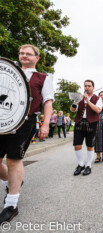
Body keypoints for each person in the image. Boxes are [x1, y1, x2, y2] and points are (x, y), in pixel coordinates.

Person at [0, 44, 54, 223]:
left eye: (28, 54)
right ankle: (12, 182)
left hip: (26, 121)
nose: (23, 56)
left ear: (36, 58)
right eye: (21, 53)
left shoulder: (43, 78)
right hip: (2, 120)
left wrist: (45, 125)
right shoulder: (8, 72)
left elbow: (47, 102)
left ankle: (11, 204)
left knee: (14, 160)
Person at [70, 80, 102, 176]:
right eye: (85, 86)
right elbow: (72, 110)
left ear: (93, 87)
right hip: (79, 122)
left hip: (91, 123)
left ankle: (88, 165)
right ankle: (80, 164)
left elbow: (97, 110)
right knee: (77, 144)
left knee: (90, 145)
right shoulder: (79, 97)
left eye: (89, 86)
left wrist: (87, 100)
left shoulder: (97, 98)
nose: (87, 87)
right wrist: (74, 103)